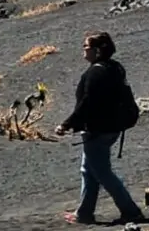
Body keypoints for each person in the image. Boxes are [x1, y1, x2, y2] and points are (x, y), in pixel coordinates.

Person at [55, 31, 144, 226]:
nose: (83, 51)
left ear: (96, 50)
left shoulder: (95, 72)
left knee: (102, 172)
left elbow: (87, 103)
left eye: (86, 47)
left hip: (98, 130)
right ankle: (84, 213)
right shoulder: (115, 67)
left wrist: (67, 123)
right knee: (89, 170)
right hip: (113, 127)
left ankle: (131, 211)